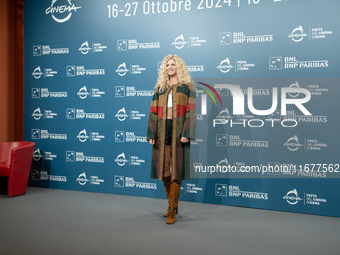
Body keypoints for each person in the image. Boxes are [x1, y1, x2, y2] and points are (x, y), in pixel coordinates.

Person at [147, 54, 196, 224]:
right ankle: (171, 205)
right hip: (162, 130)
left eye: (173, 64)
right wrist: (152, 134)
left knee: (176, 170)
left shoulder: (187, 86)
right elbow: (153, 111)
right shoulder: (160, 87)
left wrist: (186, 133)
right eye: (167, 65)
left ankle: (172, 210)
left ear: (178, 66)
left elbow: (191, 111)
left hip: (178, 131)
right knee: (165, 170)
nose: (170, 67)